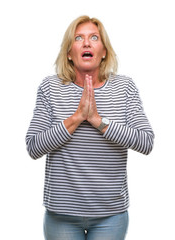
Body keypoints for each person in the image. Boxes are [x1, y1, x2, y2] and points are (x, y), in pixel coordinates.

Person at [25, 15, 154, 240]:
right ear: (69, 53)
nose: (87, 43)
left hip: (110, 215)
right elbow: (34, 146)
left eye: (94, 38)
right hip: (61, 214)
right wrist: (76, 118)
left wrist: (97, 120)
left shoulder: (124, 87)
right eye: (79, 38)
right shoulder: (50, 87)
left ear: (104, 51)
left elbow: (146, 142)